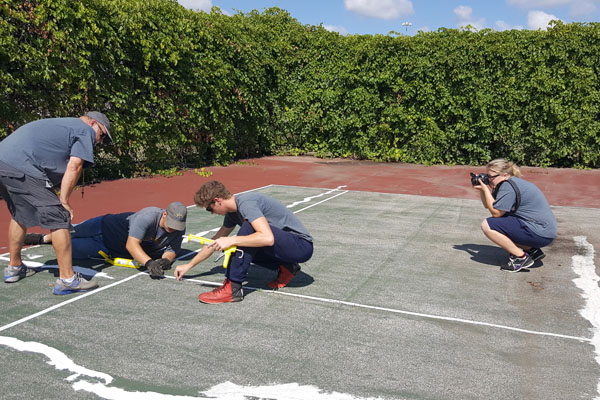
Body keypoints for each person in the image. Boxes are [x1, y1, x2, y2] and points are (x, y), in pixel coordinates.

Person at [0, 111, 112, 294]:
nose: (99, 142)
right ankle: (67, 279)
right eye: (102, 136)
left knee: (20, 214)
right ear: (93, 124)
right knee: (59, 216)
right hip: (23, 166)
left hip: (3, 161)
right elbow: (74, 166)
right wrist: (64, 200)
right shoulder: (84, 130)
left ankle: (14, 267)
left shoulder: (64, 125)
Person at [174, 180, 314, 303]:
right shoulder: (232, 214)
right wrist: (189, 265)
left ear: (217, 200)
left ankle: (232, 288)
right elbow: (214, 242)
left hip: (301, 246)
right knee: (244, 238)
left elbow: (267, 238)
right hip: (289, 247)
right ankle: (287, 267)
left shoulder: (246, 203)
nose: (211, 212)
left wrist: (232, 240)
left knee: (247, 230)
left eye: (209, 208)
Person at [25, 202, 188, 279]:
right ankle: (43, 237)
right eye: (171, 224)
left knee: (67, 248)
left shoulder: (178, 227)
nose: (173, 229)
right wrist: (149, 263)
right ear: (165, 214)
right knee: (73, 232)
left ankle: (51, 241)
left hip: (107, 247)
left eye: (177, 226)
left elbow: (172, 249)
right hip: (103, 226)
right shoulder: (148, 217)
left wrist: (166, 261)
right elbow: (132, 245)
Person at [473, 158, 557, 272]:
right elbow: (489, 205)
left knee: (488, 225)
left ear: (504, 175)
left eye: (491, 177)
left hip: (540, 232)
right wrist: (483, 190)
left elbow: (496, 213)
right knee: (502, 222)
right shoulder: (509, 183)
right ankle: (533, 251)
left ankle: (521, 258)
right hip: (544, 231)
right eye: (487, 176)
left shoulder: (508, 187)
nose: (488, 180)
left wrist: (486, 190)